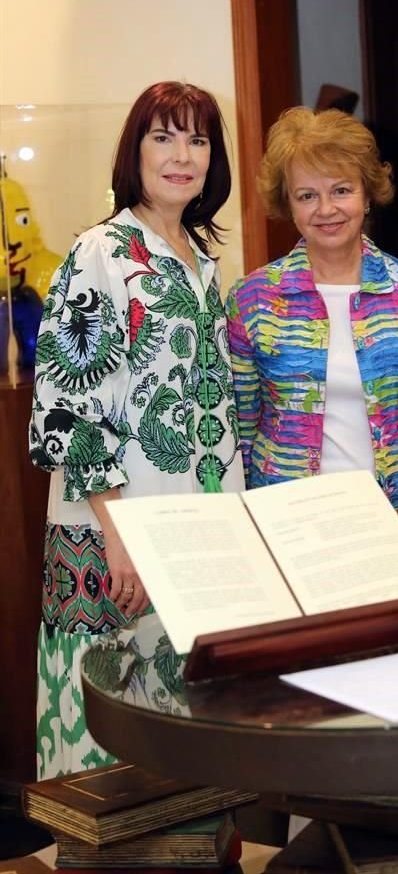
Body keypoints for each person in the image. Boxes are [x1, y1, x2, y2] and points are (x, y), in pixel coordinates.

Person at [29, 81, 244, 778]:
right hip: (112, 538)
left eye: (198, 139)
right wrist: (120, 539)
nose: (183, 155)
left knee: (180, 742)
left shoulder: (198, 260)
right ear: (135, 151)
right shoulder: (103, 250)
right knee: (109, 753)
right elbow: (67, 406)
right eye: (164, 136)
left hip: (189, 533)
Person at [225, 107, 398, 574]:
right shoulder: (253, 299)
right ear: (287, 204)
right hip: (288, 530)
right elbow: (242, 432)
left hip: (397, 527)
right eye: (307, 195)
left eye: (341, 190)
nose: (326, 209)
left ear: (368, 194)